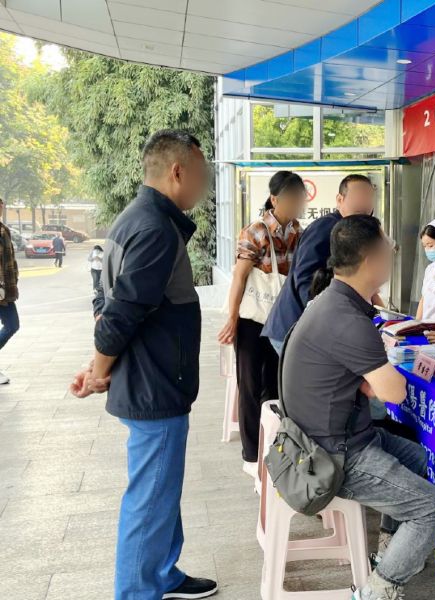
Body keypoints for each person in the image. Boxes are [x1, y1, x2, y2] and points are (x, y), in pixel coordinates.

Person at [69, 130, 218, 600]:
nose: (205, 184)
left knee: (160, 490)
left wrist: (98, 365)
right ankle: (137, 590)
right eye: (201, 173)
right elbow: (121, 313)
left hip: (149, 377)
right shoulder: (154, 228)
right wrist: (98, 371)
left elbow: (107, 302)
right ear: (177, 171)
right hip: (155, 384)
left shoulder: (134, 218)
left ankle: (163, 573)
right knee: (150, 498)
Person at [281, 215, 435, 600]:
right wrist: (378, 378)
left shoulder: (332, 302)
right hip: (335, 455)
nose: (394, 252)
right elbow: (394, 393)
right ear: (371, 260)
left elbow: (365, 384)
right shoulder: (347, 319)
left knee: (427, 461)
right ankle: (377, 591)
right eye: (388, 247)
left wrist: (370, 380)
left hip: (336, 436)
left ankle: (390, 549)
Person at [217, 170, 306, 478]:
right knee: (250, 385)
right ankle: (251, 455)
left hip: (282, 320)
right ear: (274, 199)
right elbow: (240, 277)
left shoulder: (299, 232)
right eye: (292, 198)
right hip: (252, 321)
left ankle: (274, 447)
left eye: (300, 198)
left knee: (276, 384)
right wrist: (231, 318)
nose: (298, 204)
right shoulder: (255, 231)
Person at [263, 174, 377, 354]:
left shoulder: (354, 231)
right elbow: (305, 278)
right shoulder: (326, 228)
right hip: (296, 326)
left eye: (368, 197)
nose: (364, 203)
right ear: (340, 199)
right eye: (358, 196)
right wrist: (324, 320)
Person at [0, 197, 19, 385]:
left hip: (5, 290)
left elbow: (10, 259)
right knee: (12, 324)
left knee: (12, 325)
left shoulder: (3, 229)